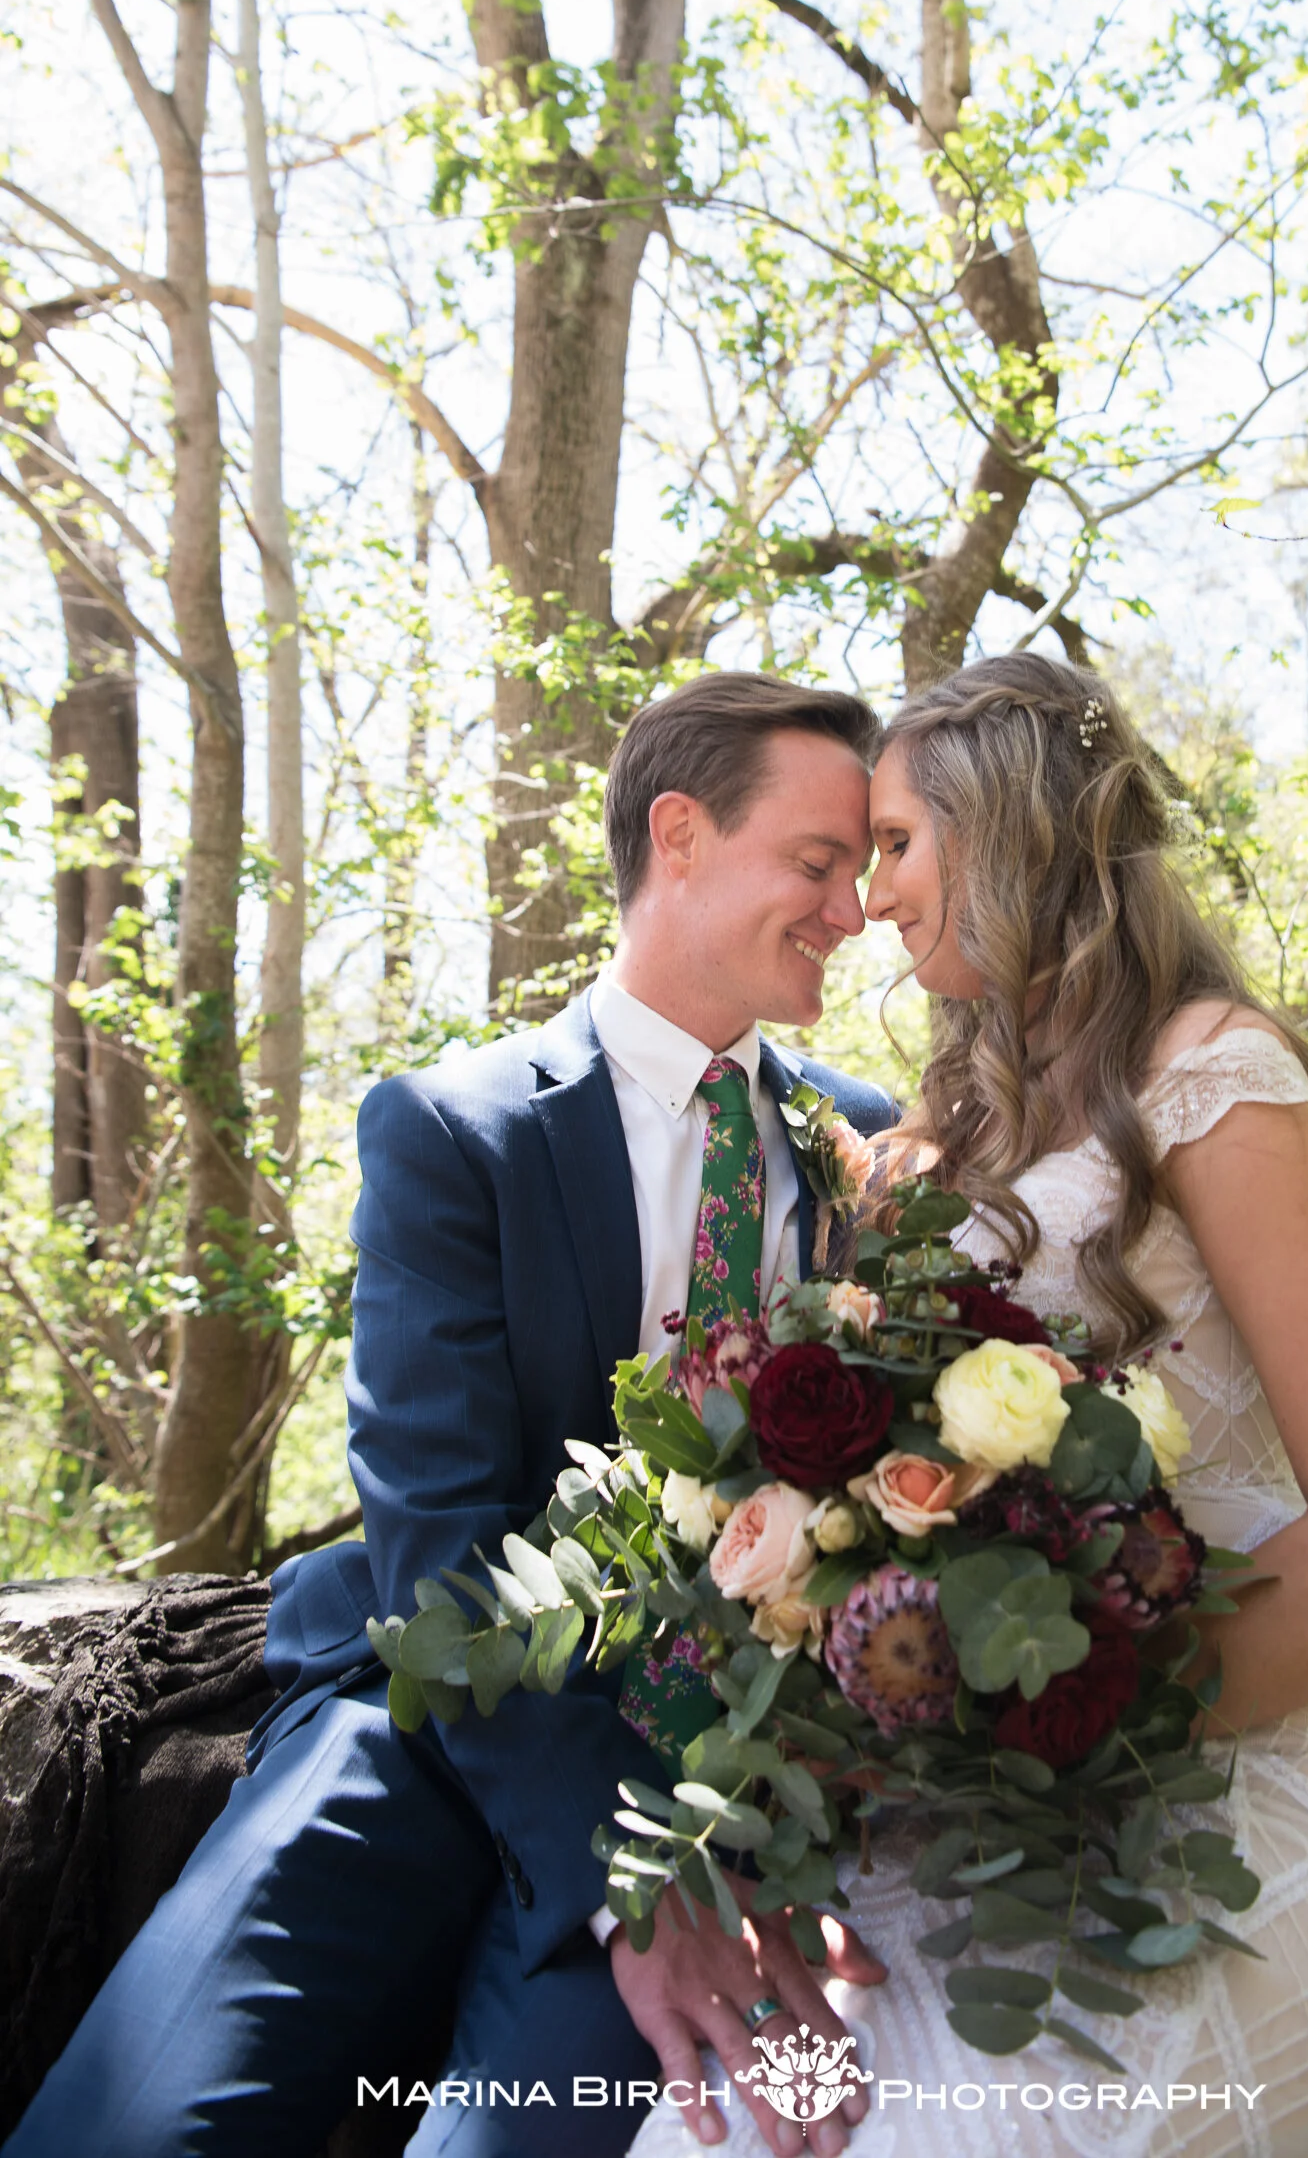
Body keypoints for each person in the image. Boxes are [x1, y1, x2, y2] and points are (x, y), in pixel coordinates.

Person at [4, 672, 894, 2158]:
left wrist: (698, 1841)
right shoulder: (458, 1127)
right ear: (680, 834)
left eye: (865, 871)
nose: (855, 910)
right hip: (420, 1697)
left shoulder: (864, 1144)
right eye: (819, 863)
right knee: (147, 2127)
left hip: (716, 1743)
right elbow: (434, 1529)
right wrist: (627, 1875)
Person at [629, 652, 1308, 2158]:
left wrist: (1045, 1737)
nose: (870, 899)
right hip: (970, 1835)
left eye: (895, 845)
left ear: (1009, 822)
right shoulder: (929, 1142)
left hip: (1251, 1817)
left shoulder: (1223, 1083)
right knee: (717, 2135)